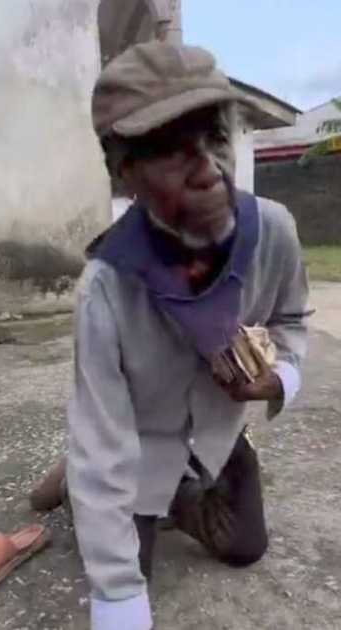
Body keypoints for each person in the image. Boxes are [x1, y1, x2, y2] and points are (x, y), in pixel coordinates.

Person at [29, 41, 309, 630]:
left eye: (215, 138)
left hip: (217, 438)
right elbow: (104, 439)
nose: (209, 170)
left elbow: (291, 320)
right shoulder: (107, 286)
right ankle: (73, 480)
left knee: (245, 548)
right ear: (122, 172)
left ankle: (182, 492)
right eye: (172, 153)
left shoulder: (273, 232)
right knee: (116, 569)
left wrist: (278, 376)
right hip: (135, 448)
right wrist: (119, 603)